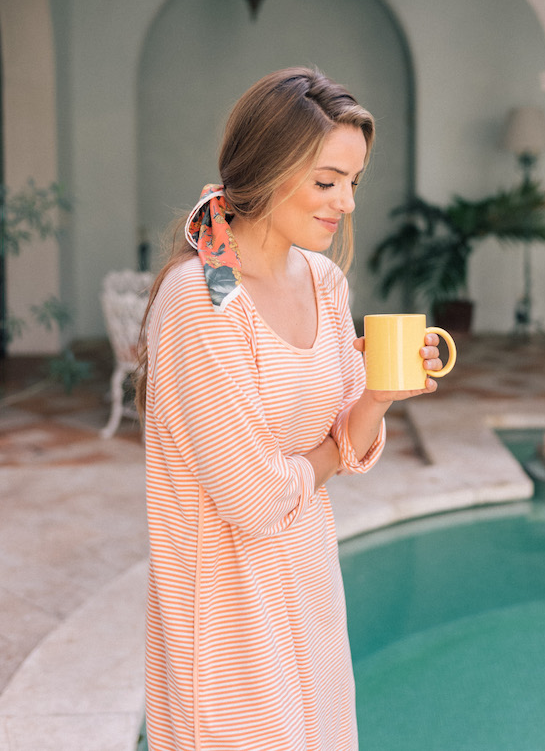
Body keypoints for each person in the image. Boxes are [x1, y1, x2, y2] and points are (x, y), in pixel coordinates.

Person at [135, 67, 444, 751]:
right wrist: (329, 455)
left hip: (309, 586)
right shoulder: (202, 301)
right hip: (224, 617)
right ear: (269, 169)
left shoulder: (326, 280)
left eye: (354, 183)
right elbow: (253, 500)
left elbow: (348, 443)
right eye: (327, 181)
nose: (346, 204)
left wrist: (378, 394)